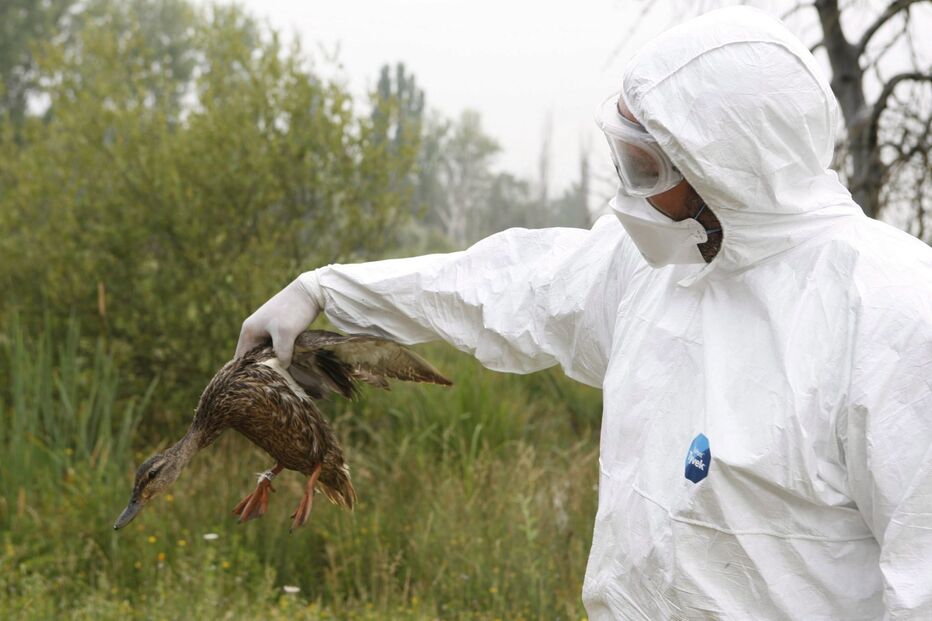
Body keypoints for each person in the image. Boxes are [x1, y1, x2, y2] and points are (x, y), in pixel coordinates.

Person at [236, 6, 932, 619]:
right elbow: (501, 285)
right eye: (624, 159)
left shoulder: (893, 319)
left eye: (647, 168)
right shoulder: (656, 271)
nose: (626, 197)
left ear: (730, 168)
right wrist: (326, 290)